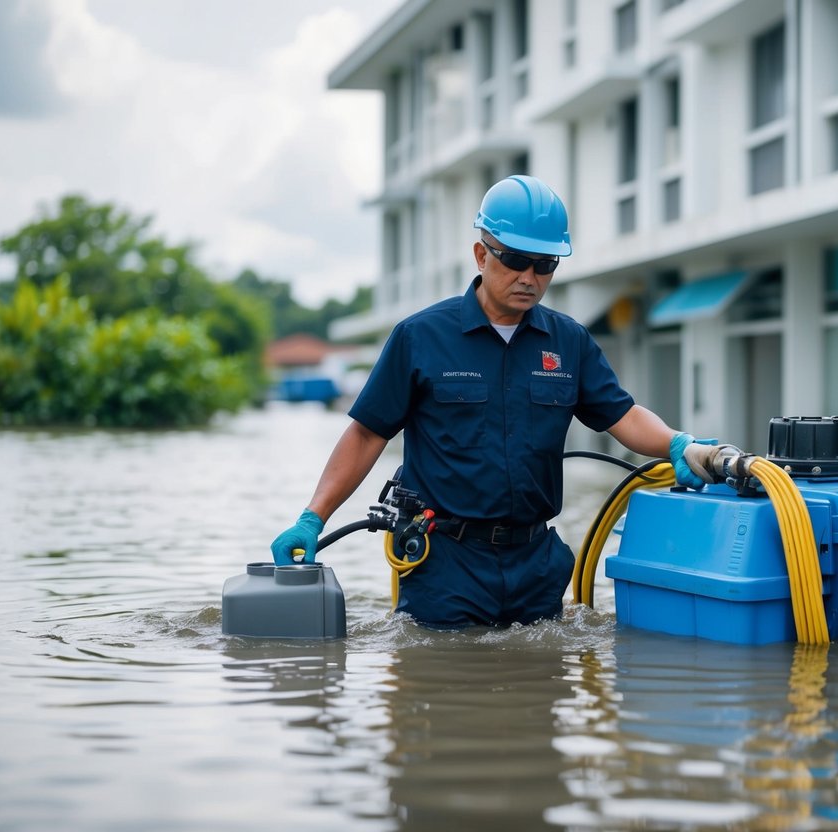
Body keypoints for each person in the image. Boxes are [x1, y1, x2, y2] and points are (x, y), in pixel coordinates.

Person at [270, 174, 719, 628]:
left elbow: (622, 416)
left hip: (536, 563)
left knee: (538, 686)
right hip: (445, 562)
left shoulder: (569, 342)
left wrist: (680, 445)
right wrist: (313, 518)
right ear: (481, 254)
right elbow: (367, 434)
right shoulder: (420, 337)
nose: (529, 277)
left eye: (544, 264)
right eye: (516, 260)